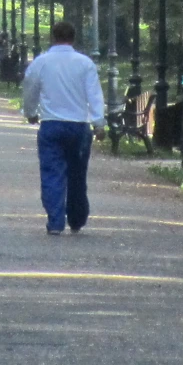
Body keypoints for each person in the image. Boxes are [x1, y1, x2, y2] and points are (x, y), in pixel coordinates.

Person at [20, 19, 105, 234]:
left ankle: (55, 221)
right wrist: (98, 123)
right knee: (77, 174)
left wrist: (30, 113)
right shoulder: (85, 63)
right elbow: (94, 94)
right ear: (73, 38)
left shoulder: (41, 62)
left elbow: (30, 87)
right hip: (79, 126)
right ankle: (76, 219)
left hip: (51, 125)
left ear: (53, 37)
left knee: (51, 173)